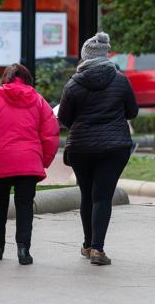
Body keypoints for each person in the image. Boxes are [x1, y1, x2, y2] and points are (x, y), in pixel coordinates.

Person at [0, 64, 59, 265]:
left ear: (5, 79)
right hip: (28, 162)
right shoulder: (39, 102)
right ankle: (23, 250)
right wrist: (44, 161)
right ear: (27, 79)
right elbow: (51, 135)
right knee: (25, 206)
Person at [58, 32, 138, 266]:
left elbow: (64, 118)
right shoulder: (121, 80)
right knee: (102, 197)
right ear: (106, 54)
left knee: (87, 195)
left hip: (81, 147)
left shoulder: (73, 83)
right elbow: (132, 112)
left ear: (85, 56)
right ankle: (98, 250)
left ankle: (87, 243)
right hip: (114, 147)